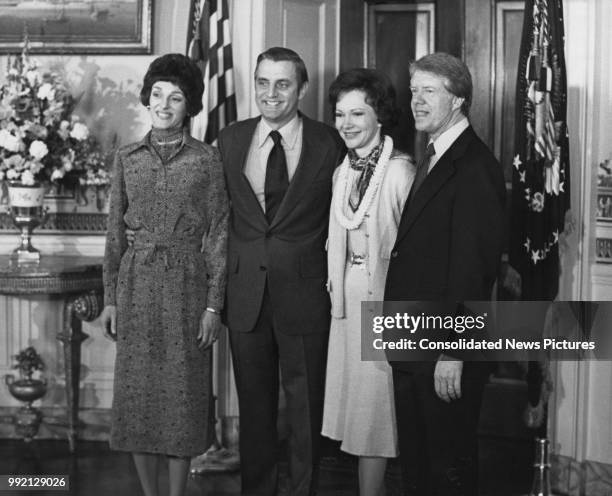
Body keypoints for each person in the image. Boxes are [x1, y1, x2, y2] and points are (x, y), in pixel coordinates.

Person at [217, 47, 345, 496]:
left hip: (306, 296)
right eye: (263, 83)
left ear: (302, 88)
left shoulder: (330, 142)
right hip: (246, 295)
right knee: (254, 412)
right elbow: (218, 218)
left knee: (306, 412)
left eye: (283, 84)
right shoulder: (230, 139)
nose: (270, 94)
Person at [100, 53, 229, 496]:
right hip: (135, 283)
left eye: (176, 98)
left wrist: (214, 305)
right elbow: (113, 233)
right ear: (147, 98)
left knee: (182, 395)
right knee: (138, 399)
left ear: (189, 105)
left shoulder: (207, 160)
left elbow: (218, 234)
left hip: (187, 285)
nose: (164, 105)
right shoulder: (126, 157)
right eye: (157, 95)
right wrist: (111, 298)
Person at [384, 53, 506, 496]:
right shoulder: (434, 155)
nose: (415, 100)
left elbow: (474, 271)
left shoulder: (474, 167)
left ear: (457, 101)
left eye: (428, 91)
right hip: (413, 342)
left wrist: (454, 352)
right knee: (418, 467)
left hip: (444, 350)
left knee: (447, 468)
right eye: (414, 90)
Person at [321, 68, 415, 496]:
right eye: (340, 115)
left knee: (377, 414)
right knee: (357, 414)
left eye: (357, 113)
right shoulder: (344, 171)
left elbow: (411, 251)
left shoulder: (399, 172)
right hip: (347, 301)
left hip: (384, 303)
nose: (346, 124)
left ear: (380, 116)